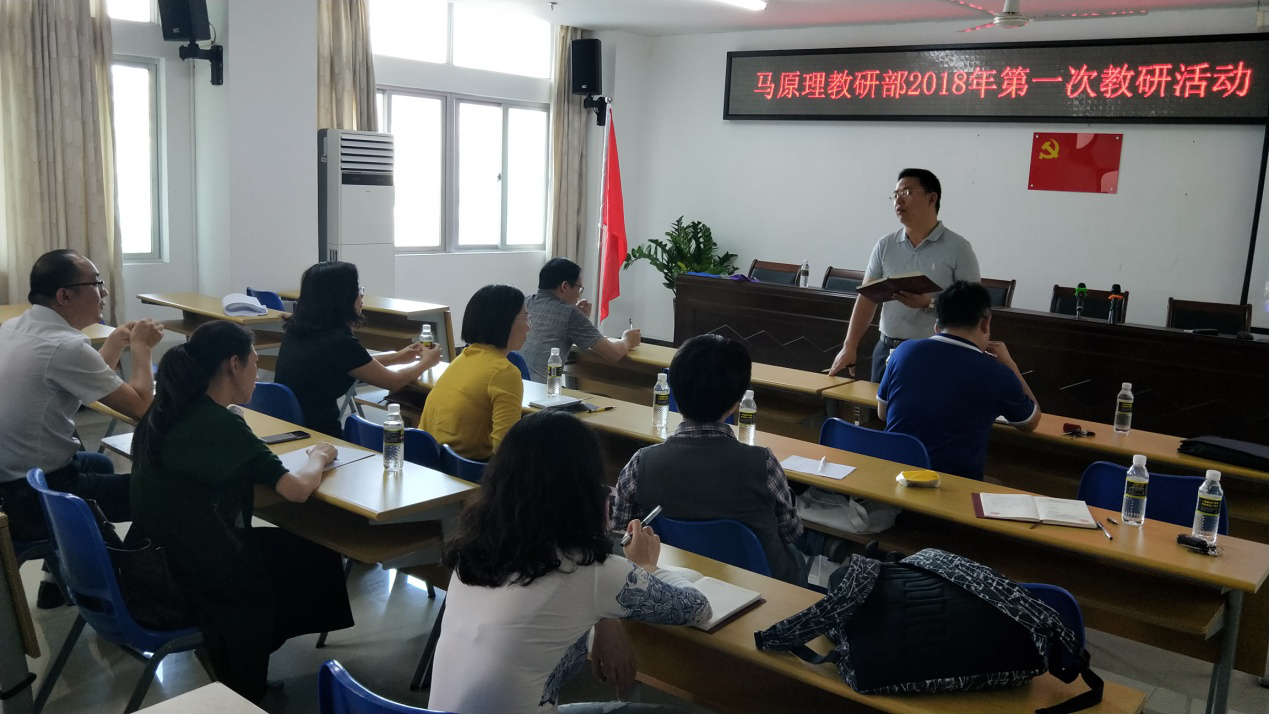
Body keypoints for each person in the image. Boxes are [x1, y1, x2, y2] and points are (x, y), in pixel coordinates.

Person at [429, 410, 711, 714]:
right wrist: (648, 567)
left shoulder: (473, 553)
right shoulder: (585, 568)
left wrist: (604, 619)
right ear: (585, 490)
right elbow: (698, 608)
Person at [130, 321, 354, 702]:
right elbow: (296, 490)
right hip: (197, 576)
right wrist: (318, 455)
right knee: (314, 554)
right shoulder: (219, 424)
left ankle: (235, 664)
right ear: (234, 364)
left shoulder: (166, 409)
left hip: (157, 559)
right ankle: (243, 679)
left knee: (288, 550)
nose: (257, 374)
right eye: (254, 364)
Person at [610, 334, 805, 585]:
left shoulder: (640, 464)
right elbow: (791, 532)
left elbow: (623, 532)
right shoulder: (764, 464)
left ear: (674, 394)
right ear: (736, 403)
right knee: (795, 557)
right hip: (758, 588)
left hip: (675, 582)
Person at [0, 249, 163, 543]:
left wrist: (115, 341)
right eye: (96, 283)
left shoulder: (15, 327)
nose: (105, 292)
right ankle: (122, 562)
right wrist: (142, 348)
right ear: (64, 296)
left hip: (11, 478)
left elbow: (88, 379)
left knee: (100, 464)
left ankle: (78, 555)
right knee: (159, 495)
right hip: (33, 497)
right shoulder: (65, 346)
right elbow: (141, 407)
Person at [877, 281, 1041, 481]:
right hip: (951, 484)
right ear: (985, 323)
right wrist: (1011, 365)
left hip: (894, 477)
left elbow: (883, 413)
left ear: (937, 324)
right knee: (996, 483)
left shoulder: (903, 351)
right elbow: (1031, 422)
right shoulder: (997, 372)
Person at [828, 168, 981, 381]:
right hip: (887, 350)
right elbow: (867, 298)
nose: (898, 200)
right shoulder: (885, 245)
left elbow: (974, 306)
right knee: (878, 404)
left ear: (931, 198)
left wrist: (929, 303)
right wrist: (849, 346)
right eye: (895, 195)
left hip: (934, 352)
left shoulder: (958, 248)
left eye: (906, 193)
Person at [275, 261, 440, 437]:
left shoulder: (299, 329)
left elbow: (353, 364)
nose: (361, 298)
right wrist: (427, 361)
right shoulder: (338, 342)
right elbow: (394, 382)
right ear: (343, 298)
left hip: (286, 428)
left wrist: (397, 357)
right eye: (358, 291)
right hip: (319, 436)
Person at [420, 284, 528, 461]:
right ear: (505, 321)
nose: (529, 327)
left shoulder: (462, 358)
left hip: (429, 460)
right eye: (526, 317)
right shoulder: (504, 372)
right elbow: (505, 449)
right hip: (466, 469)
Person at [519, 258, 641, 382]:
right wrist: (627, 340)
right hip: (540, 389)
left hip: (515, 382)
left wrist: (580, 317)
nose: (579, 295)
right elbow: (614, 354)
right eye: (579, 288)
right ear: (565, 286)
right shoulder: (570, 313)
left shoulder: (525, 302)